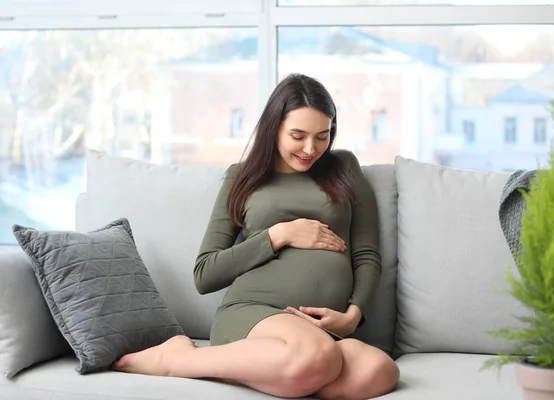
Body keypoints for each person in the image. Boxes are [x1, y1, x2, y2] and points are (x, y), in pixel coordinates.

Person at [112, 73, 400, 400]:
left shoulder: (344, 166)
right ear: (273, 128)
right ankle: (177, 359)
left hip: (318, 330)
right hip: (254, 310)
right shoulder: (242, 178)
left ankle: (283, 372)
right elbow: (205, 273)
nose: (311, 148)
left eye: (322, 136)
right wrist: (278, 235)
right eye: (298, 135)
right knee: (317, 356)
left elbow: (366, 253)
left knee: (379, 370)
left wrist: (354, 314)